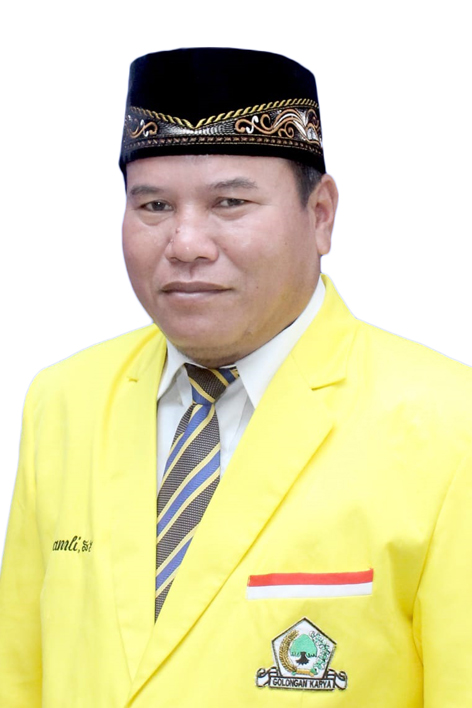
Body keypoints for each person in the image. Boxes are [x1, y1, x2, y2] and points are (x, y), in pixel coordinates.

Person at [0, 47, 471, 708]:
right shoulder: (63, 401)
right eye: (154, 205)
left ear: (320, 215)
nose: (186, 244)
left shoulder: (448, 426)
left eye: (229, 202)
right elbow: (18, 677)